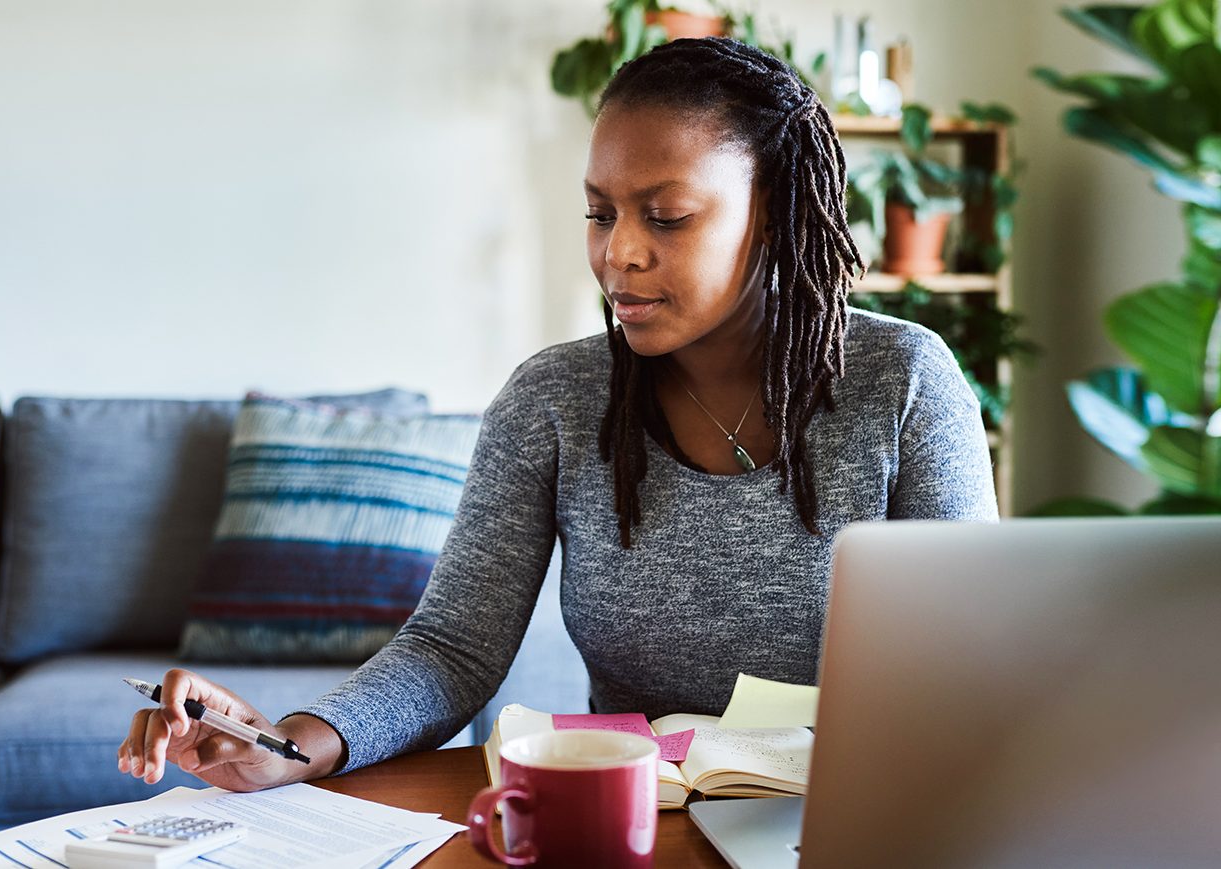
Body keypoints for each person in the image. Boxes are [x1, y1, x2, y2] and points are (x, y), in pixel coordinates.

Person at [117, 36, 996, 792]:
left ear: (774, 215)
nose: (619, 252)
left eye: (667, 216)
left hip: (862, 819)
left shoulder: (904, 382)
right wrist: (287, 746)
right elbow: (452, 649)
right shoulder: (555, 401)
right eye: (600, 212)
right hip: (637, 822)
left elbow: (973, 667)